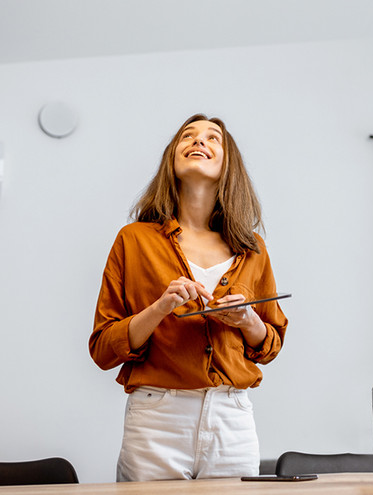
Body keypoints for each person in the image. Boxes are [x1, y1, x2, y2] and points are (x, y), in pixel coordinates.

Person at [89, 114, 288, 481]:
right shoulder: (133, 240)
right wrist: (160, 308)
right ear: (172, 159)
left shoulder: (252, 248)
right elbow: (102, 348)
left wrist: (248, 321)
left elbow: (270, 345)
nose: (199, 141)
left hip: (232, 419)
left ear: (229, 164)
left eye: (213, 138)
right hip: (157, 421)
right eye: (188, 136)